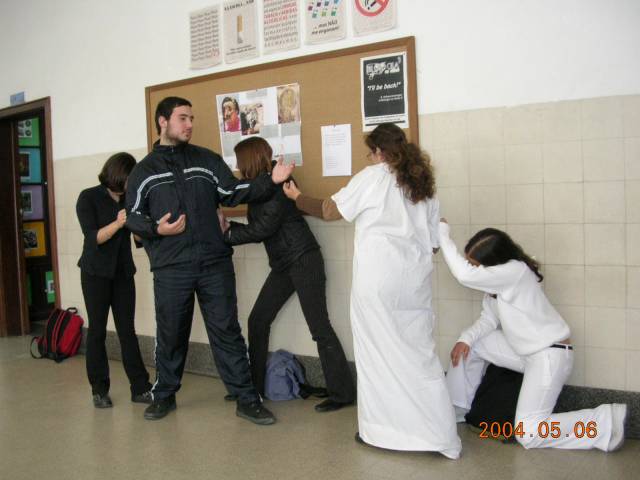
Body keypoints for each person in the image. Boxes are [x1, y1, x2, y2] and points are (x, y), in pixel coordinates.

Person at [283, 123, 461, 459]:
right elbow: (435, 244)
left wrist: (296, 198)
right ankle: (440, 434)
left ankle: (382, 432)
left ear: (379, 151)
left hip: (378, 281)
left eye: (371, 151)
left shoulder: (374, 177)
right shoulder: (423, 185)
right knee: (418, 355)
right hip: (414, 283)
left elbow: (329, 210)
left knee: (376, 355)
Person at [125, 96, 294, 424]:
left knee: (227, 331)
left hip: (214, 263)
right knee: (171, 333)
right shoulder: (143, 171)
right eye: (183, 118)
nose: (190, 124)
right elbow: (132, 216)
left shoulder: (206, 160)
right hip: (171, 267)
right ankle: (164, 395)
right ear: (163, 122)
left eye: (191, 118)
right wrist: (156, 229)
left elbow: (231, 192)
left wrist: (270, 181)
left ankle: (247, 399)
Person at [438, 222, 627, 451]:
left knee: (528, 433)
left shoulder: (515, 271)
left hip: (549, 356)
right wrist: (464, 339)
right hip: (525, 353)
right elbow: (488, 320)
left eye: (477, 266)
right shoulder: (496, 287)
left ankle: (604, 421)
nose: (475, 270)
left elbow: (464, 275)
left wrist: (442, 233)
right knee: (471, 345)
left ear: (494, 263)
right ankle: (458, 409)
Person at [221, 136, 356, 412]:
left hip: (303, 260)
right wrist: (230, 228)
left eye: (239, 161)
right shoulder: (261, 185)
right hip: (284, 264)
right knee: (258, 320)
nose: (237, 167)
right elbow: (260, 227)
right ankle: (253, 389)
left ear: (249, 160)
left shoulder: (280, 184)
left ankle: (343, 393)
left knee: (319, 327)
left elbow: (263, 229)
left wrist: (228, 234)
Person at [76, 152, 152, 408]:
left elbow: (138, 240)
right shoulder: (88, 197)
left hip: (122, 273)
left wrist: (142, 227)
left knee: (127, 331)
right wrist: (119, 223)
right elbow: (93, 238)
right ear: (118, 175)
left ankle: (140, 388)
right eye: (130, 178)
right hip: (95, 273)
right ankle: (99, 390)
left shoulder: (130, 199)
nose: (132, 183)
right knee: (97, 330)